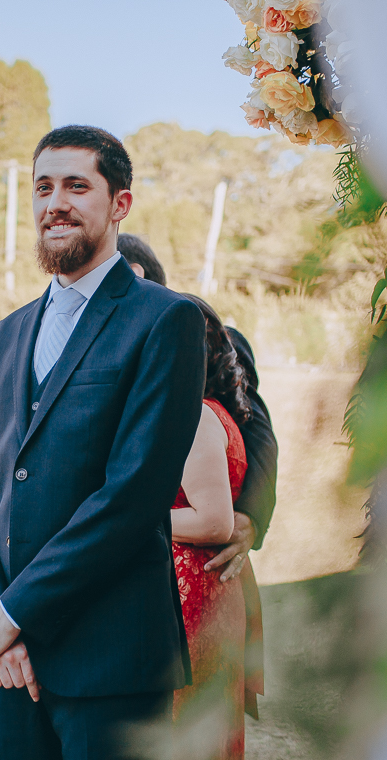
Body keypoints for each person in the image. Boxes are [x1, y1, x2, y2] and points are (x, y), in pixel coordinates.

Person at [0, 125, 207, 760]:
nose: (55, 203)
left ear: (119, 204)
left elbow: (133, 495)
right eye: (43, 187)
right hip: (9, 663)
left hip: (111, 661)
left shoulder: (166, 321)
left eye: (76, 186)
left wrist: (18, 612)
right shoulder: (8, 334)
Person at [117, 233, 279, 577]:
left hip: (198, 565)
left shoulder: (209, 339)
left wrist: (250, 517)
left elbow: (259, 435)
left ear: (134, 274)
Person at [169, 295, 267, 760]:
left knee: (185, 729)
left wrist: (127, 519)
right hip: (206, 590)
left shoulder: (198, 417)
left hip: (193, 595)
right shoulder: (214, 412)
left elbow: (211, 520)